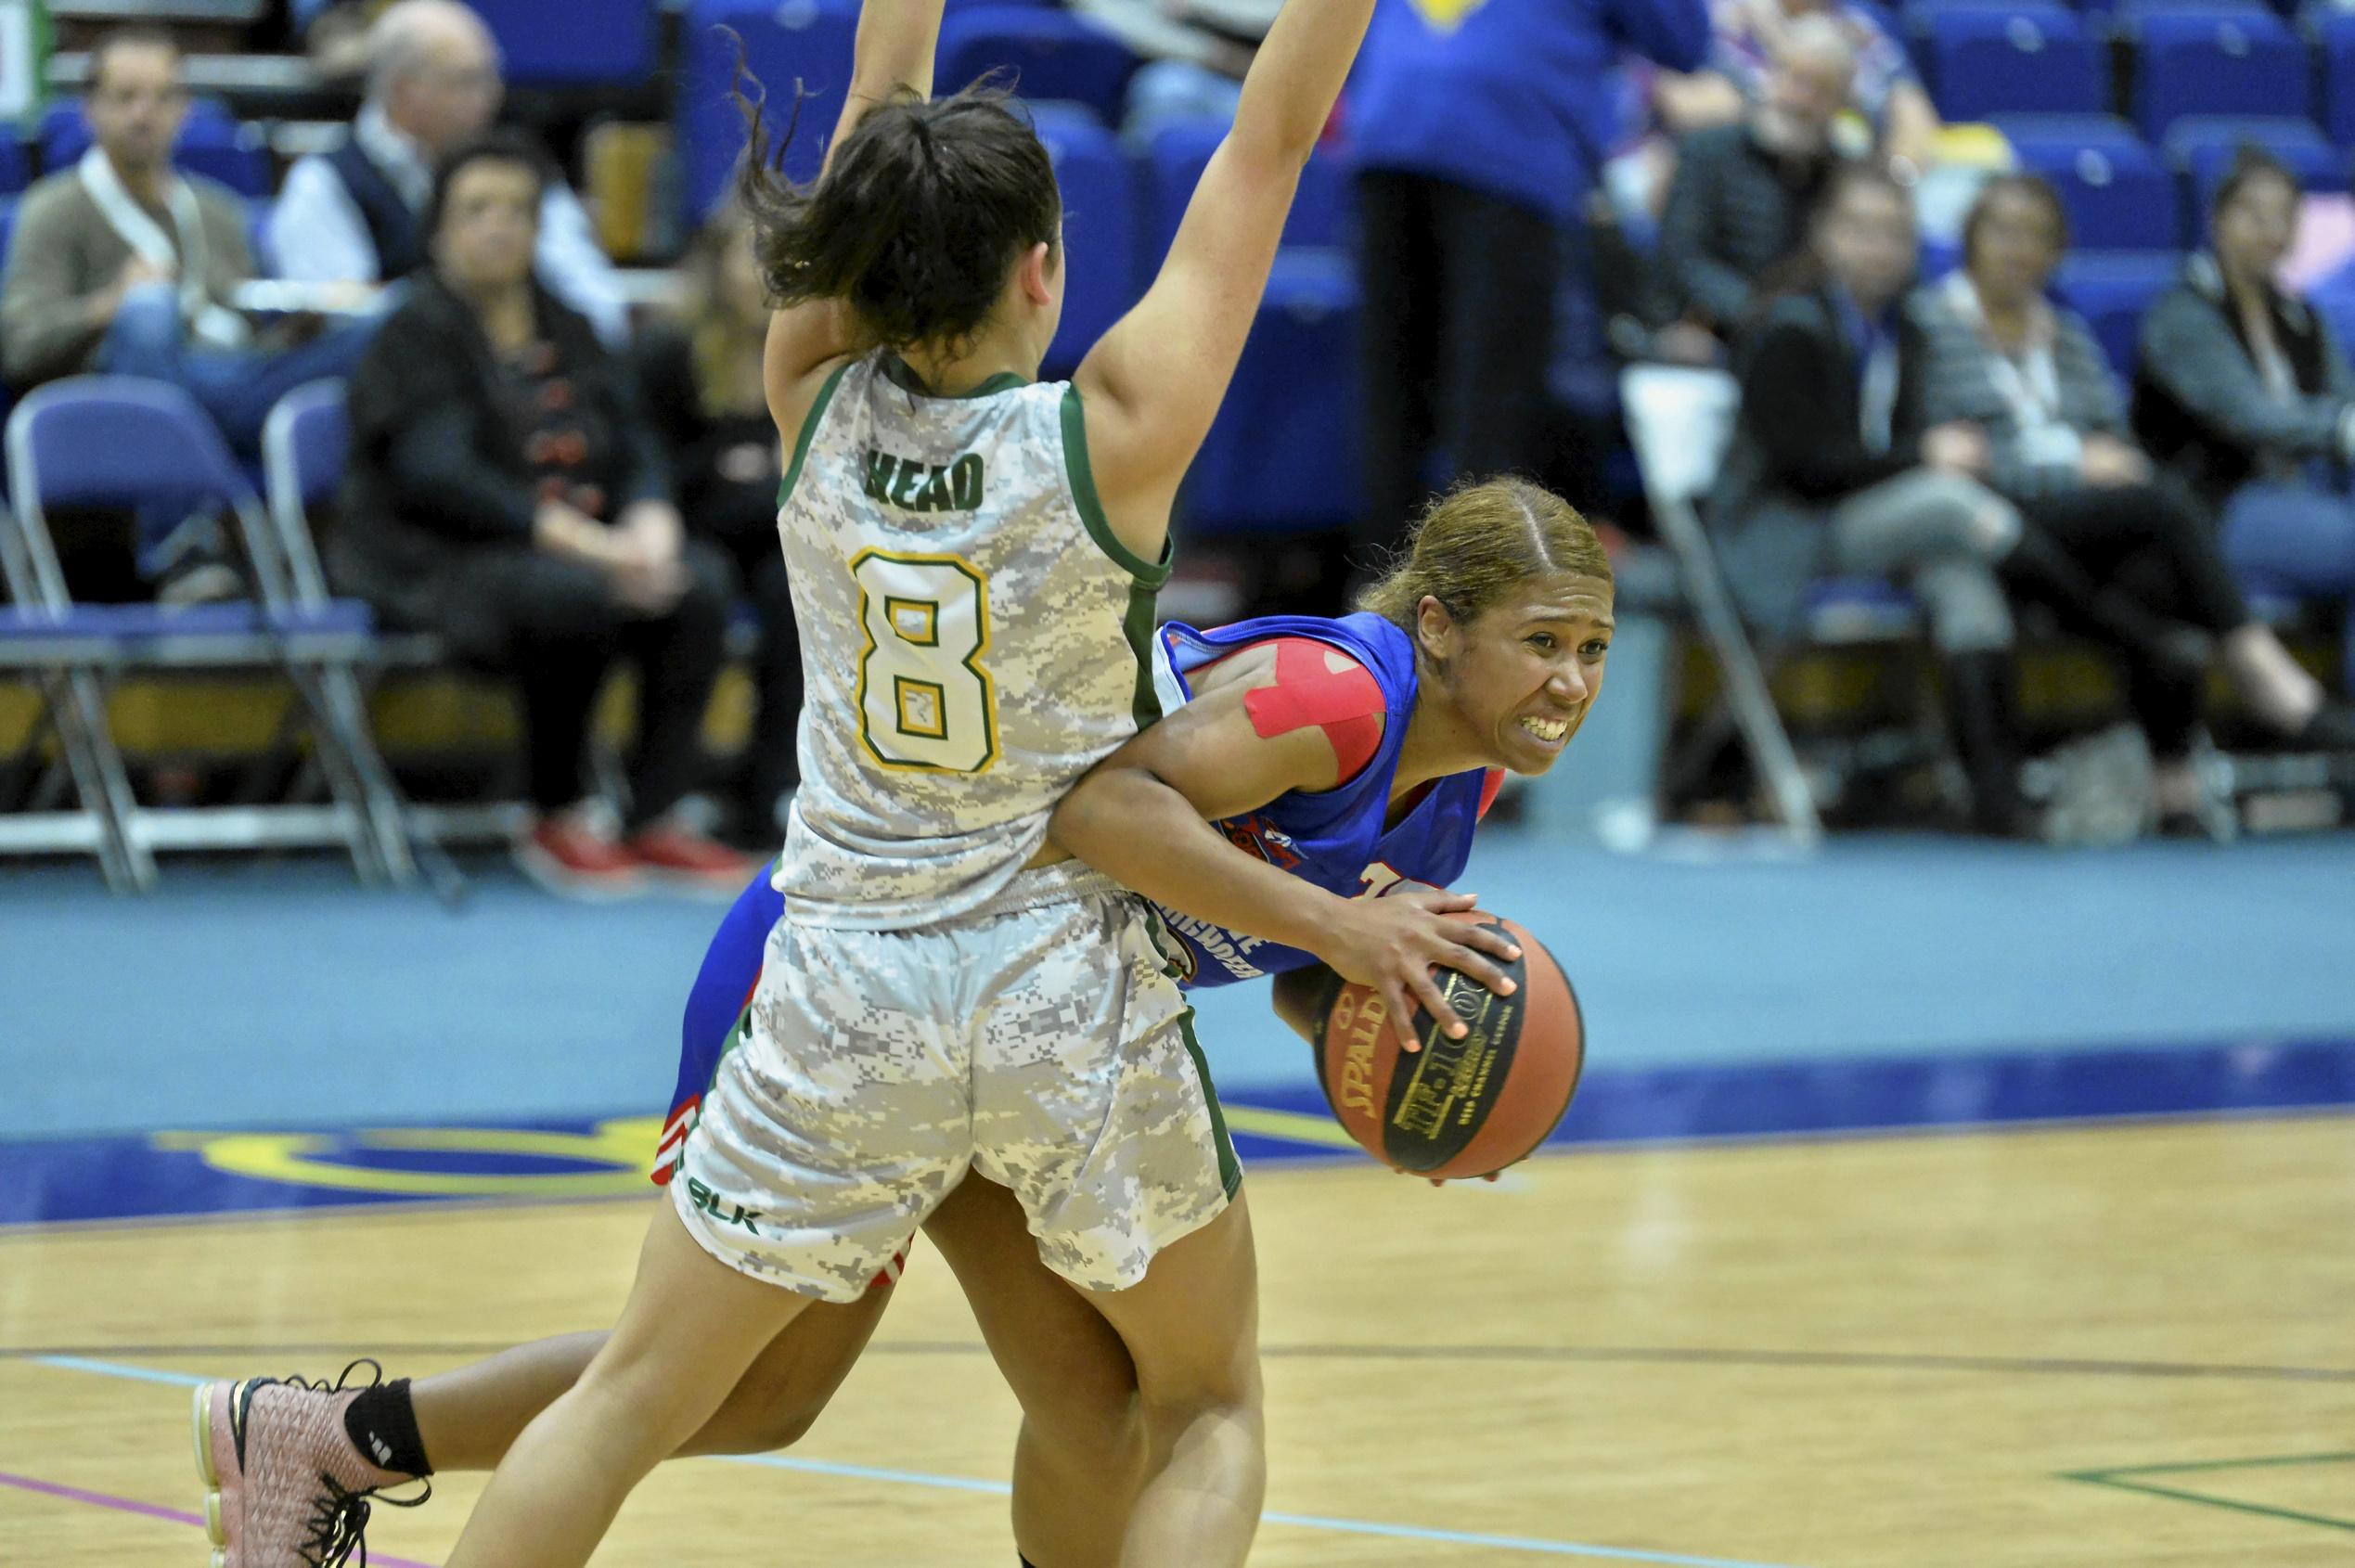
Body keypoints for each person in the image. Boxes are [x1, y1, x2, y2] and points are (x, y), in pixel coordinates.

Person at [360, 0, 1422, 1557]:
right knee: (1201, 1407)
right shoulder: (1115, 431)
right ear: (1044, 272)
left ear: (856, 256)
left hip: (840, 986)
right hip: (1061, 989)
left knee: (626, 1405)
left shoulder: (805, 392)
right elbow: (1264, 139)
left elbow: (879, 90)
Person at [193, 479, 1613, 1568]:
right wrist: (1342, 927)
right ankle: (328, 1439)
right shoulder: (1331, 698)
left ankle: (317, 1440)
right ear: (1437, 623)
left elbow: (1297, 950)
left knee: (1089, 1401)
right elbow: (1102, 811)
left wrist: (1398, 1045)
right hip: (858, 968)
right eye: (1541, 641)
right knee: (727, 1387)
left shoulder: (1459, 790)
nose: (1570, 681)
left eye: (1592, 649)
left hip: (1030, 1012)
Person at [331, 132, 755, 893]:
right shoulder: (412, 331)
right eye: (477, 210)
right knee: (568, 597)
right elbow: (442, 477)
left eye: (517, 211)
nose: (498, 226)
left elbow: (635, 442)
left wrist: (652, 520)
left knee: (699, 580)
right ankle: (554, 810)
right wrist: (594, 550)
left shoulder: (571, 326)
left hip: (587, 548)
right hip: (444, 562)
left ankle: (655, 814)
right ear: (439, 228)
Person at [1712, 162, 2181, 837]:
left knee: (1961, 580)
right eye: (1860, 230)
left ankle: (1996, 796)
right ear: (1822, 234)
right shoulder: (1791, 323)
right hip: (1784, 533)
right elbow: (1806, 470)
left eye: (1893, 234)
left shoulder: (1900, 329)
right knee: (1950, 501)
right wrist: (1920, 456)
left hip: (1872, 521)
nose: (1877, 249)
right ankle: (2115, 629)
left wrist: (1915, 460)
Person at [1917, 172, 2354, 834]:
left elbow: (2113, 437)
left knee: (2156, 577)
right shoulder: (1935, 324)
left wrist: (2092, 461)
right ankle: (2267, 679)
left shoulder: (2062, 331)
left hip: (2087, 520)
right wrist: (2067, 460)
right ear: (1971, 241)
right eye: (2003, 231)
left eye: (2038, 236)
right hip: (1988, 516)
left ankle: (2172, 788)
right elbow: (1949, 449)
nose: (2019, 249)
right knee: (2166, 506)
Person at [1346, 0, 1708, 600]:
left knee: (1392, 403)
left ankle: (1374, 624)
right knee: (1489, 408)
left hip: (1389, 123)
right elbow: (1684, 41)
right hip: (1509, 141)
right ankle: (1458, 616)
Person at [0, 27, 380, 596]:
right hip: (117, 391)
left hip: (230, 385)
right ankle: (180, 543)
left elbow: (245, 333)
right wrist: (107, 307)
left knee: (382, 322)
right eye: (125, 97)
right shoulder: (54, 210)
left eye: (161, 97)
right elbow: (18, 344)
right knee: (149, 312)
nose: (143, 114)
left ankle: (390, 545)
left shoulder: (218, 210)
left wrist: (301, 327)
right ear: (89, 110)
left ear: (184, 109)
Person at [266, 0, 627, 344]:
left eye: (491, 79)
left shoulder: (523, 170)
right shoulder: (325, 181)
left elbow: (596, 307)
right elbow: (338, 326)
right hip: (390, 392)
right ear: (406, 88)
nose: (490, 97)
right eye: (468, 81)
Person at [2136, 148, 2355, 708]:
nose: (2270, 230)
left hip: (2304, 502)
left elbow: (2343, 401)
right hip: (2213, 509)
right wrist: (2340, 431)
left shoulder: (2300, 317)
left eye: (2285, 216)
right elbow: (2250, 418)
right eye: (2254, 213)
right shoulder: (2182, 313)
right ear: (2217, 219)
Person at [633, 205, 804, 845]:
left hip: (763, 534)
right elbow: (646, 464)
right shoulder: (666, 349)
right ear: (715, 264)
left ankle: (769, 794)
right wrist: (738, 471)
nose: (771, 275)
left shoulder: (805, 355)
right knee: (695, 591)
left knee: (798, 589)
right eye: (755, 255)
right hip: (682, 529)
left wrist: (752, 474)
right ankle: (658, 799)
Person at [1654, 13, 1853, 358]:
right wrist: (1763, 316)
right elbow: (1682, 259)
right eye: (1793, 78)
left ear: (1839, 104)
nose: (1800, 100)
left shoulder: (1846, 174)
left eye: (1820, 89)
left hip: (1809, 344)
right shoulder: (1708, 151)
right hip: (1714, 328)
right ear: (1769, 75)